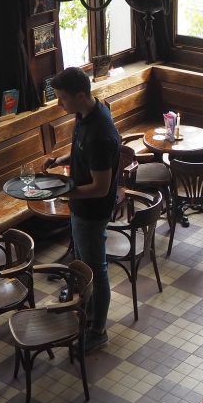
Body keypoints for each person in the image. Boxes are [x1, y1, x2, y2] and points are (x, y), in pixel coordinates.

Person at [42, 67, 121, 351]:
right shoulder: (87, 112)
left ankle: (97, 330)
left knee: (96, 271)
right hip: (80, 207)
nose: (59, 104)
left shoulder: (101, 133)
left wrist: (66, 192)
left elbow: (101, 187)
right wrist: (58, 159)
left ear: (79, 95)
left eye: (62, 99)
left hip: (92, 212)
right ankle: (82, 303)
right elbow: (79, 151)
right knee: (84, 263)